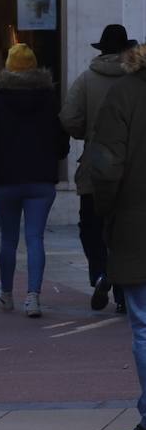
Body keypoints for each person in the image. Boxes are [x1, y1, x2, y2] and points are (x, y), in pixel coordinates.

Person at [0, 43, 69, 318]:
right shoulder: (49, 99)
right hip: (41, 180)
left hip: (6, 180)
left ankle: (6, 293)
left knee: (8, 239)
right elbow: (61, 142)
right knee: (35, 238)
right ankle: (33, 297)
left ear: (8, 67)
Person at [88, 43, 146, 430]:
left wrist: (107, 212)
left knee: (144, 325)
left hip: (135, 221)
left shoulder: (125, 92)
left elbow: (106, 164)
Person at [63, 24, 135, 314]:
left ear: (101, 49)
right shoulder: (136, 80)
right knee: (123, 232)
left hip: (95, 164)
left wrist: (86, 133)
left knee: (90, 227)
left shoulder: (86, 79)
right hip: (130, 167)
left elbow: (69, 118)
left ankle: (99, 273)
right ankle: (121, 291)